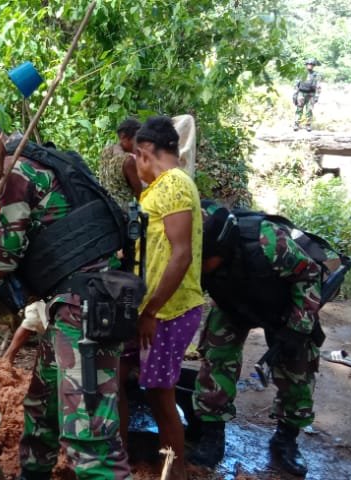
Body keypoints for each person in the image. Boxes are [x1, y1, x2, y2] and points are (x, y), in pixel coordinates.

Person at [0, 104, 141, 479]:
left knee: (90, 440)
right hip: (78, 305)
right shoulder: (43, 157)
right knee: (42, 407)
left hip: (83, 314)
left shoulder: (15, 171)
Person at [189, 202, 324, 477]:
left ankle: (286, 439)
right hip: (232, 304)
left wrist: (297, 329)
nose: (199, 267)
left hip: (284, 307)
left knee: (296, 370)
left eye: (204, 261)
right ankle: (212, 434)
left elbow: (310, 275)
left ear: (223, 247)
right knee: (216, 359)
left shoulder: (269, 241)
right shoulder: (193, 243)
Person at [129, 116, 204, 480]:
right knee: (151, 387)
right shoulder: (166, 185)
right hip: (160, 307)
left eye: (134, 158)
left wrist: (152, 311)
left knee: (161, 395)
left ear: (145, 153)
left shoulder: (173, 184)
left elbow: (181, 254)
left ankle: (173, 471)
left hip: (170, 309)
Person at [97, 117, 142, 208]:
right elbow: (141, 195)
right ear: (124, 138)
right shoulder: (128, 161)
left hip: (106, 207)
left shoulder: (106, 150)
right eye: (137, 140)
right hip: (122, 213)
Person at [293, 59, 320, 131]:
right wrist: (295, 95)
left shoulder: (316, 74)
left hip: (311, 94)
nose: (310, 66)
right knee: (299, 109)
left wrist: (317, 96)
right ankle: (296, 124)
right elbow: (296, 84)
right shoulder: (301, 73)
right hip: (301, 93)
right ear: (306, 65)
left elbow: (318, 86)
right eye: (308, 64)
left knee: (309, 110)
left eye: (311, 64)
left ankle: (308, 125)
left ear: (313, 66)